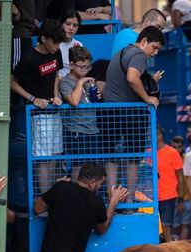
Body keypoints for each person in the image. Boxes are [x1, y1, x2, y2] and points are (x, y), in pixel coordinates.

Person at [104, 25, 165, 195]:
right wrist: (148, 98)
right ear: (144, 41)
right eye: (154, 47)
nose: (155, 53)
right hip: (129, 113)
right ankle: (130, 198)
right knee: (133, 157)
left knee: (111, 157)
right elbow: (132, 77)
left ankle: (113, 197)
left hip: (109, 111)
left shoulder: (122, 52)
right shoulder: (139, 55)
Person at [11, 19, 65, 195]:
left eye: (59, 43)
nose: (57, 46)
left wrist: (56, 94)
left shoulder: (56, 53)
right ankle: (44, 197)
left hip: (54, 111)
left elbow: (56, 75)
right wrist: (32, 98)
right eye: (54, 42)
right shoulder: (29, 57)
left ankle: (52, 195)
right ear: (43, 39)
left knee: (55, 154)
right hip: (39, 114)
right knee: (43, 158)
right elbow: (11, 82)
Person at [60, 44, 101, 179]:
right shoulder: (66, 82)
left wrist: (97, 94)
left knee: (91, 166)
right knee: (78, 165)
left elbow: (94, 102)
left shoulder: (88, 82)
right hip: (77, 130)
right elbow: (74, 101)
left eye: (87, 67)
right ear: (72, 65)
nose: (85, 70)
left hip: (92, 129)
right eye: (81, 67)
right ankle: (76, 189)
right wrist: (80, 82)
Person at [155, 126, 184, 239]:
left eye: (155, 133)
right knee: (155, 229)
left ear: (160, 135)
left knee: (166, 228)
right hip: (152, 198)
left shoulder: (172, 152)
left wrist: (180, 199)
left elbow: (180, 177)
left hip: (168, 197)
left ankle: (170, 250)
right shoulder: (148, 153)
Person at [58, 10, 84, 78]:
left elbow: (81, 69)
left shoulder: (78, 44)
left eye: (75, 25)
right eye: (68, 24)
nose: (71, 28)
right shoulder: (53, 44)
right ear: (61, 24)